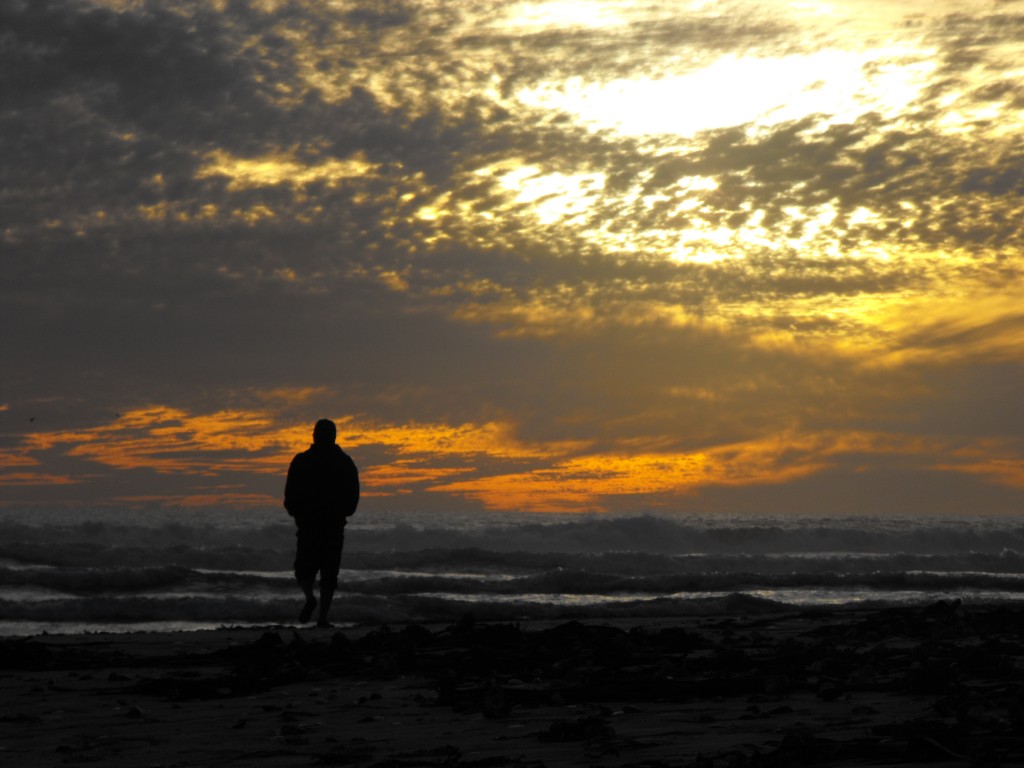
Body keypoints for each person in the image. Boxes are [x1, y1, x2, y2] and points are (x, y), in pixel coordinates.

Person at [284, 419, 360, 627]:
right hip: (332, 525)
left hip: (310, 524)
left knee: (304, 569)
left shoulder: (302, 461)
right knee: (329, 572)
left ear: (314, 436)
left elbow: (290, 494)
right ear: (334, 437)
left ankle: (311, 599)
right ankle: (322, 617)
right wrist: (345, 511)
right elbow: (353, 496)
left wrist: (296, 513)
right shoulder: (344, 462)